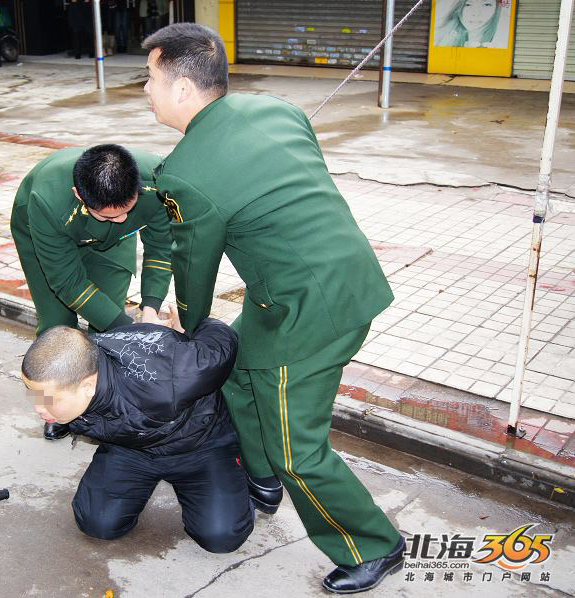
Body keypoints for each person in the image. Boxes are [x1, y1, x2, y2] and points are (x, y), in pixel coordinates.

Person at [141, 23, 405, 594]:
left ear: (183, 90)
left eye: (151, 79)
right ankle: (260, 477)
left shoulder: (184, 174)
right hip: (334, 278)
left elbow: (194, 270)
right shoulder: (277, 110)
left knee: (298, 448)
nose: (146, 90)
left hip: (309, 309)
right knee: (237, 371)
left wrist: (181, 327)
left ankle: (372, 544)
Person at [21, 316, 257, 553]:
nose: (38, 408)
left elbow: (223, 340)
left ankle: (235, 483)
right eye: (33, 394)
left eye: (49, 400)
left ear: (88, 386)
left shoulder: (178, 376)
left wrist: (193, 320)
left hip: (200, 446)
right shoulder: (74, 364)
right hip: (130, 447)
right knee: (97, 523)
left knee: (221, 537)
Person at [10, 144, 173, 441]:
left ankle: (103, 402)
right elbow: (69, 283)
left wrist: (150, 309)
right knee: (56, 328)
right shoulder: (47, 200)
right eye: (109, 216)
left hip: (112, 243)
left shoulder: (159, 182)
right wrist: (131, 331)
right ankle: (53, 406)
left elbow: (162, 246)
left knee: (106, 318)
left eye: (127, 211)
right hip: (45, 235)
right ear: (78, 196)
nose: (122, 219)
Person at [436, 0, 503, 48]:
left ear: (497, 8)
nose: (476, 13)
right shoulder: (444, 39)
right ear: (458, 8)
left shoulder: (500, 42)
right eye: (468, 4)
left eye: (486, 4)